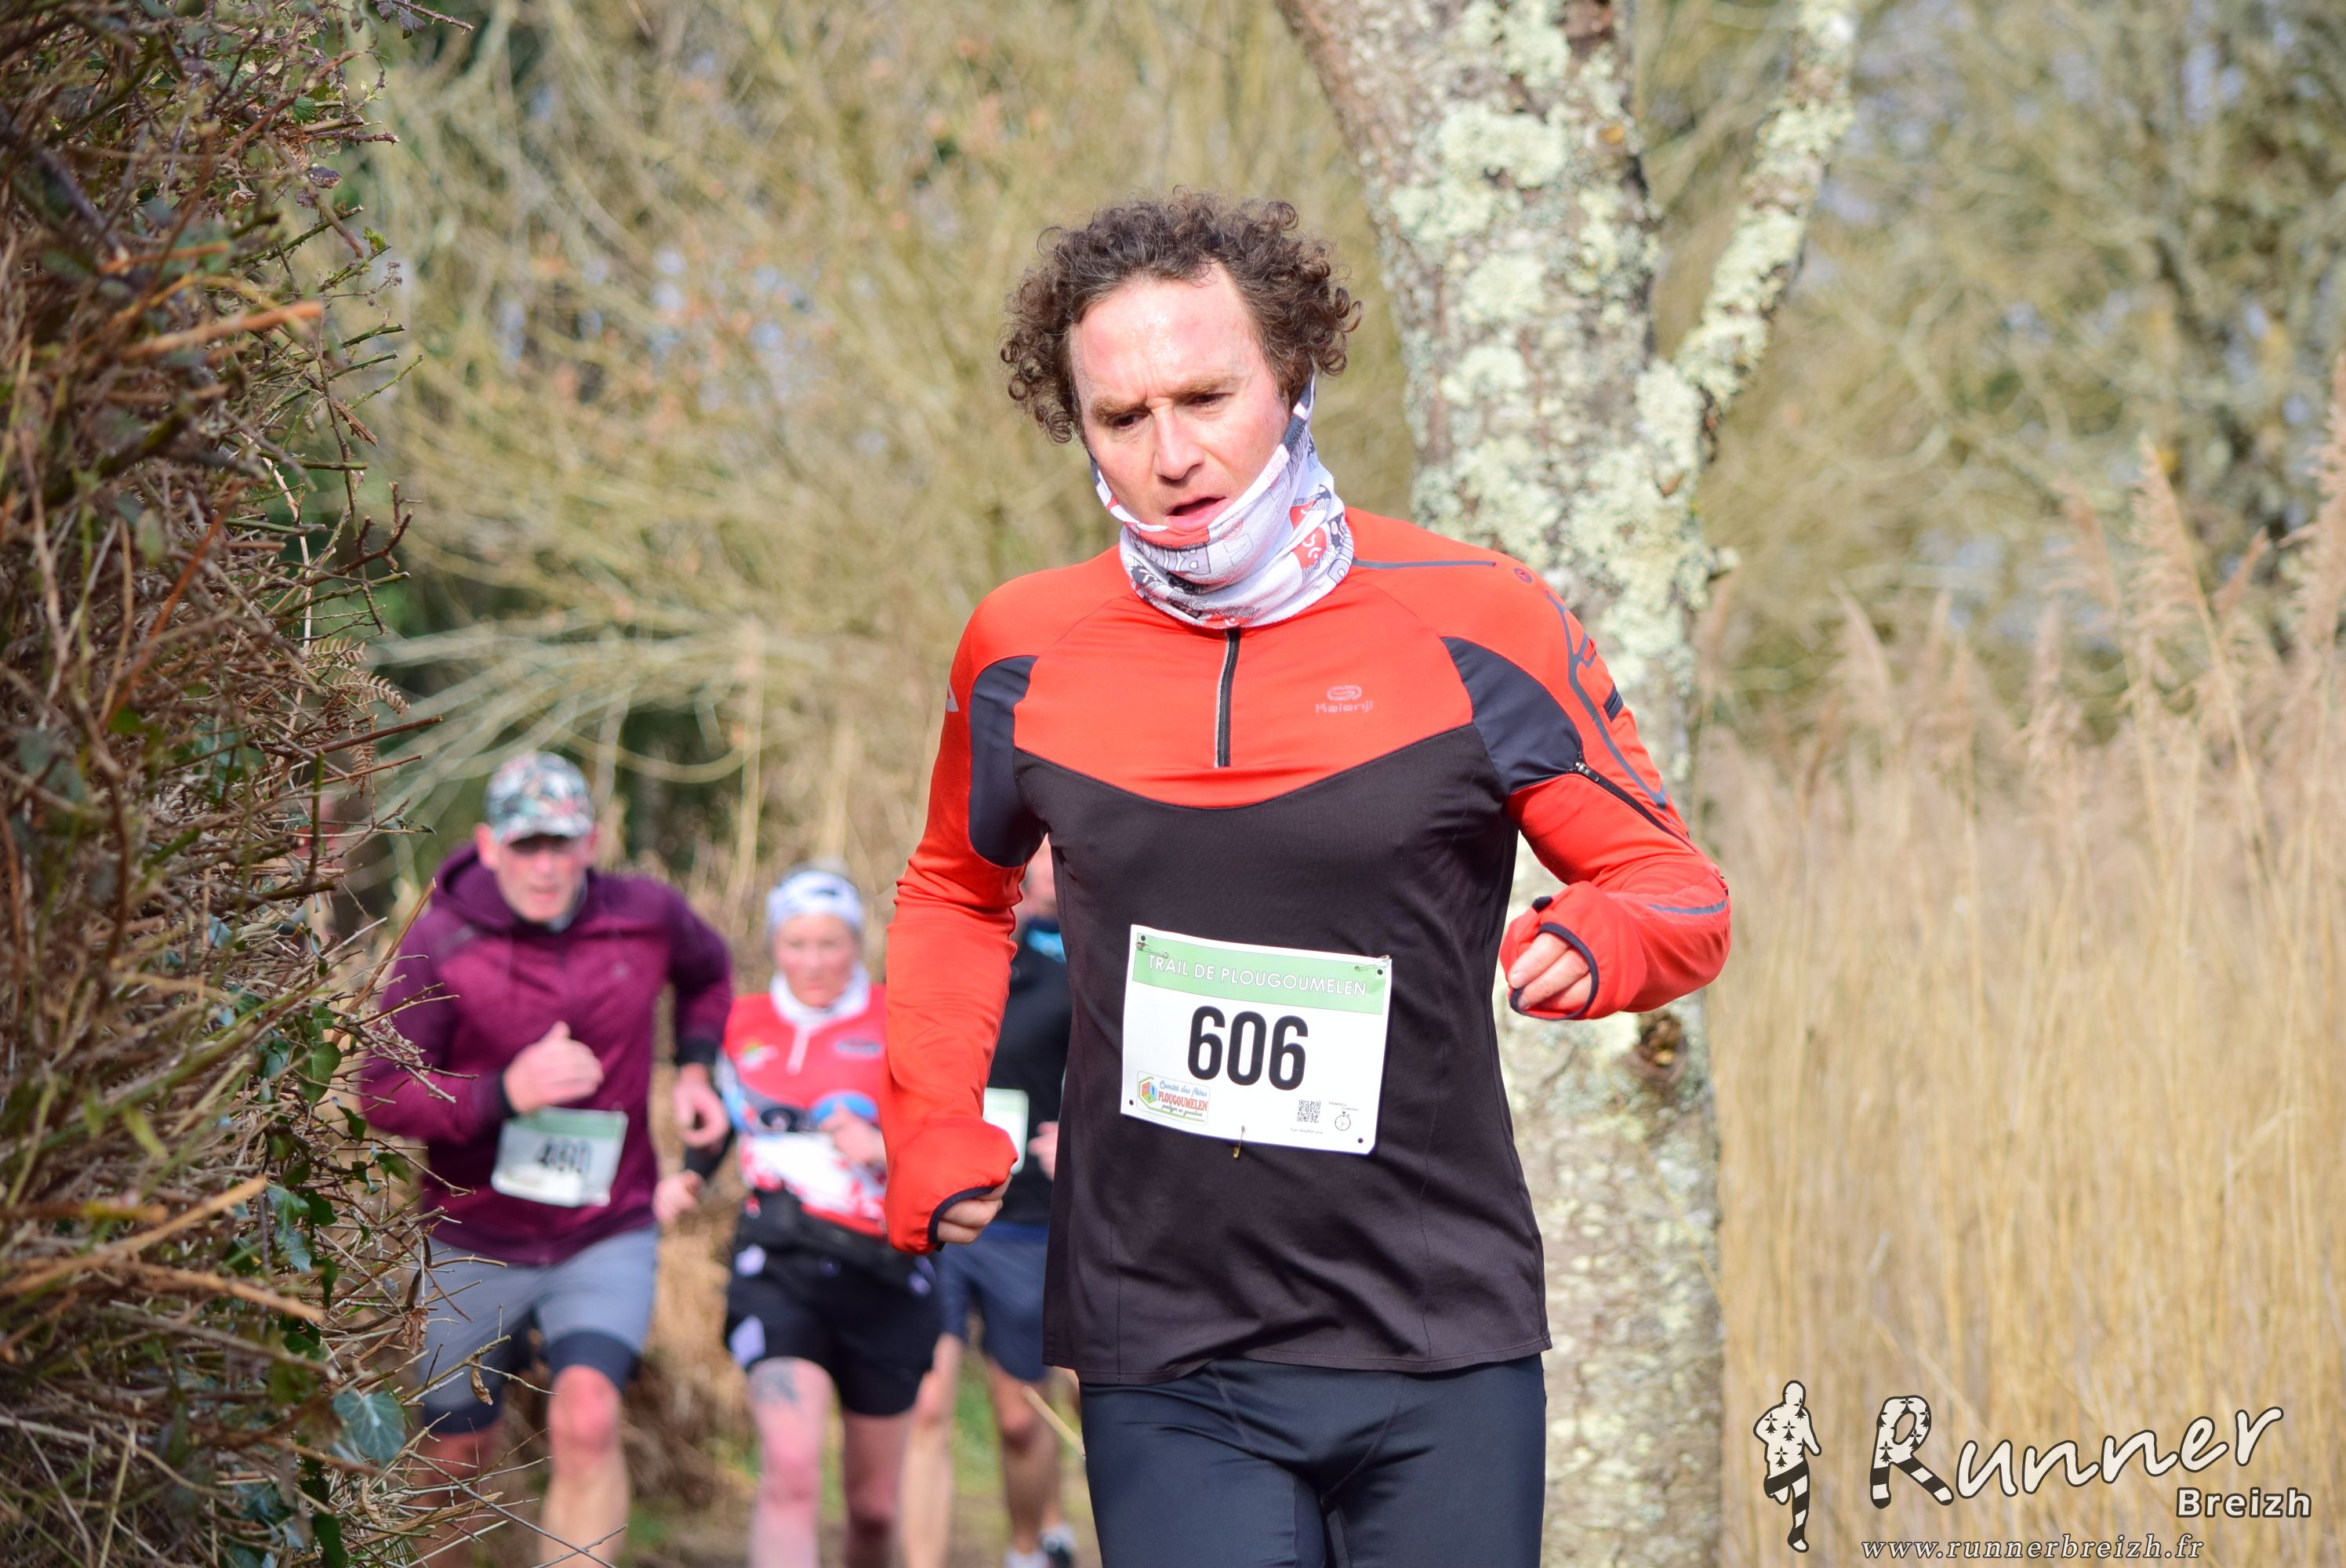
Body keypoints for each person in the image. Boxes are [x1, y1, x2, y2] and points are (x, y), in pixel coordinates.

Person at [877, 193, 1734, 1567]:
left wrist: (1607, 938)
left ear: (1292, 375)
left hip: (1435, 1334)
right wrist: (927, 1113)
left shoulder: (1479, 616)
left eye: (1206, 397)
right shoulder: (1023, 649)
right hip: (1165, 1346)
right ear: (1079, 429)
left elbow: (1678, 890)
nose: (1172, 454)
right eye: (1121, 417)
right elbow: (953, 890)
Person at [365, 752, 733, 1567]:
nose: (544, 865)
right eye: (525, 844)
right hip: (473, 1232)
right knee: (453, 1454)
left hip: (606, 1226)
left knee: (588, 1418)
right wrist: (505, 1091)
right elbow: (381, 1093)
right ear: (489, 845)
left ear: (590, 843)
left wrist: (697, 1065)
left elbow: (709, 971)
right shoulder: (441, 938)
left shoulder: (645, 915)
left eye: (560, 844)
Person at [653, 868, 938, 1568]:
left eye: (829, 944)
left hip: (886, 1271)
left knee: (874, 1508)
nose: (812, 962)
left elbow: (951, 1140)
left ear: (858, 944)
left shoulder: (903, 1018)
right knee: (790, 1473)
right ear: (775, 945)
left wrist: (885, 1147)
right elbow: (718, 1119)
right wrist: (688, 1176)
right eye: (796, 943)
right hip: (778, 1265)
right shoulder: (741, 1022)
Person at [902, 842, 1077, 1568]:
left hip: (1025, 1222)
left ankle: (1031, 1545)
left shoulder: (1064, 979)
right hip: (934, 1219)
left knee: (1020, 1417)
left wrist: (1085, 1138)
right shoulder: (921, 981)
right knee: (926, 1406)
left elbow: (1118, 1068)